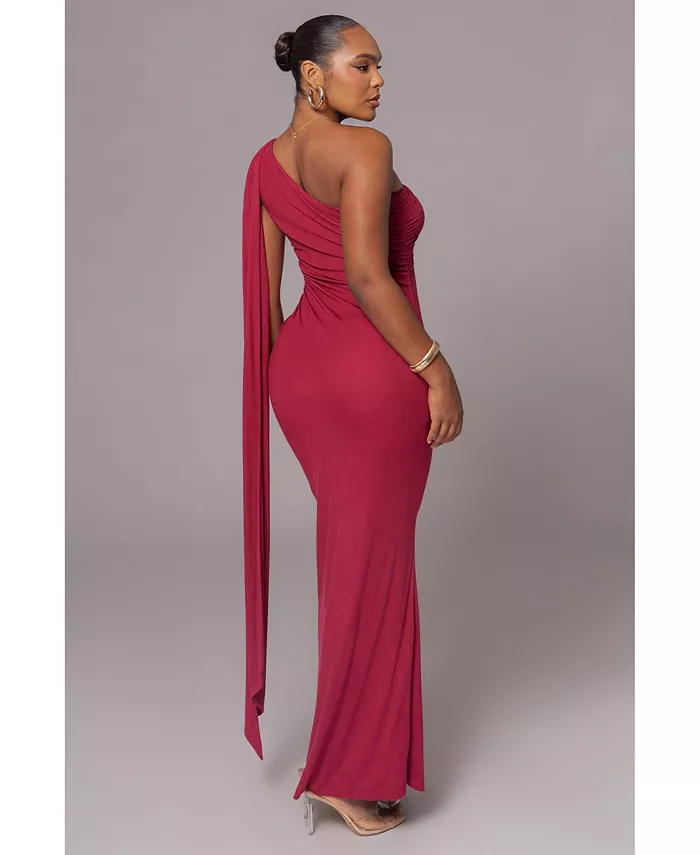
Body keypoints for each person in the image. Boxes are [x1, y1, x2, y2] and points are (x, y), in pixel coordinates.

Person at [241, 15, 463, 836]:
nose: (378, 81)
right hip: (371, 376)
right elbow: (370, 277)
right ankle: (341, 772)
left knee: (353, 564)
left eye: (378, 68)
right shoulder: (366, 151)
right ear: (313, 75)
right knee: (374, 572)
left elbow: (267, 301)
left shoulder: (266, 164)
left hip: (302, 375)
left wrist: (288, 389)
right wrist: (435, 366)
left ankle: (354, 758)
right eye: (363, 66)